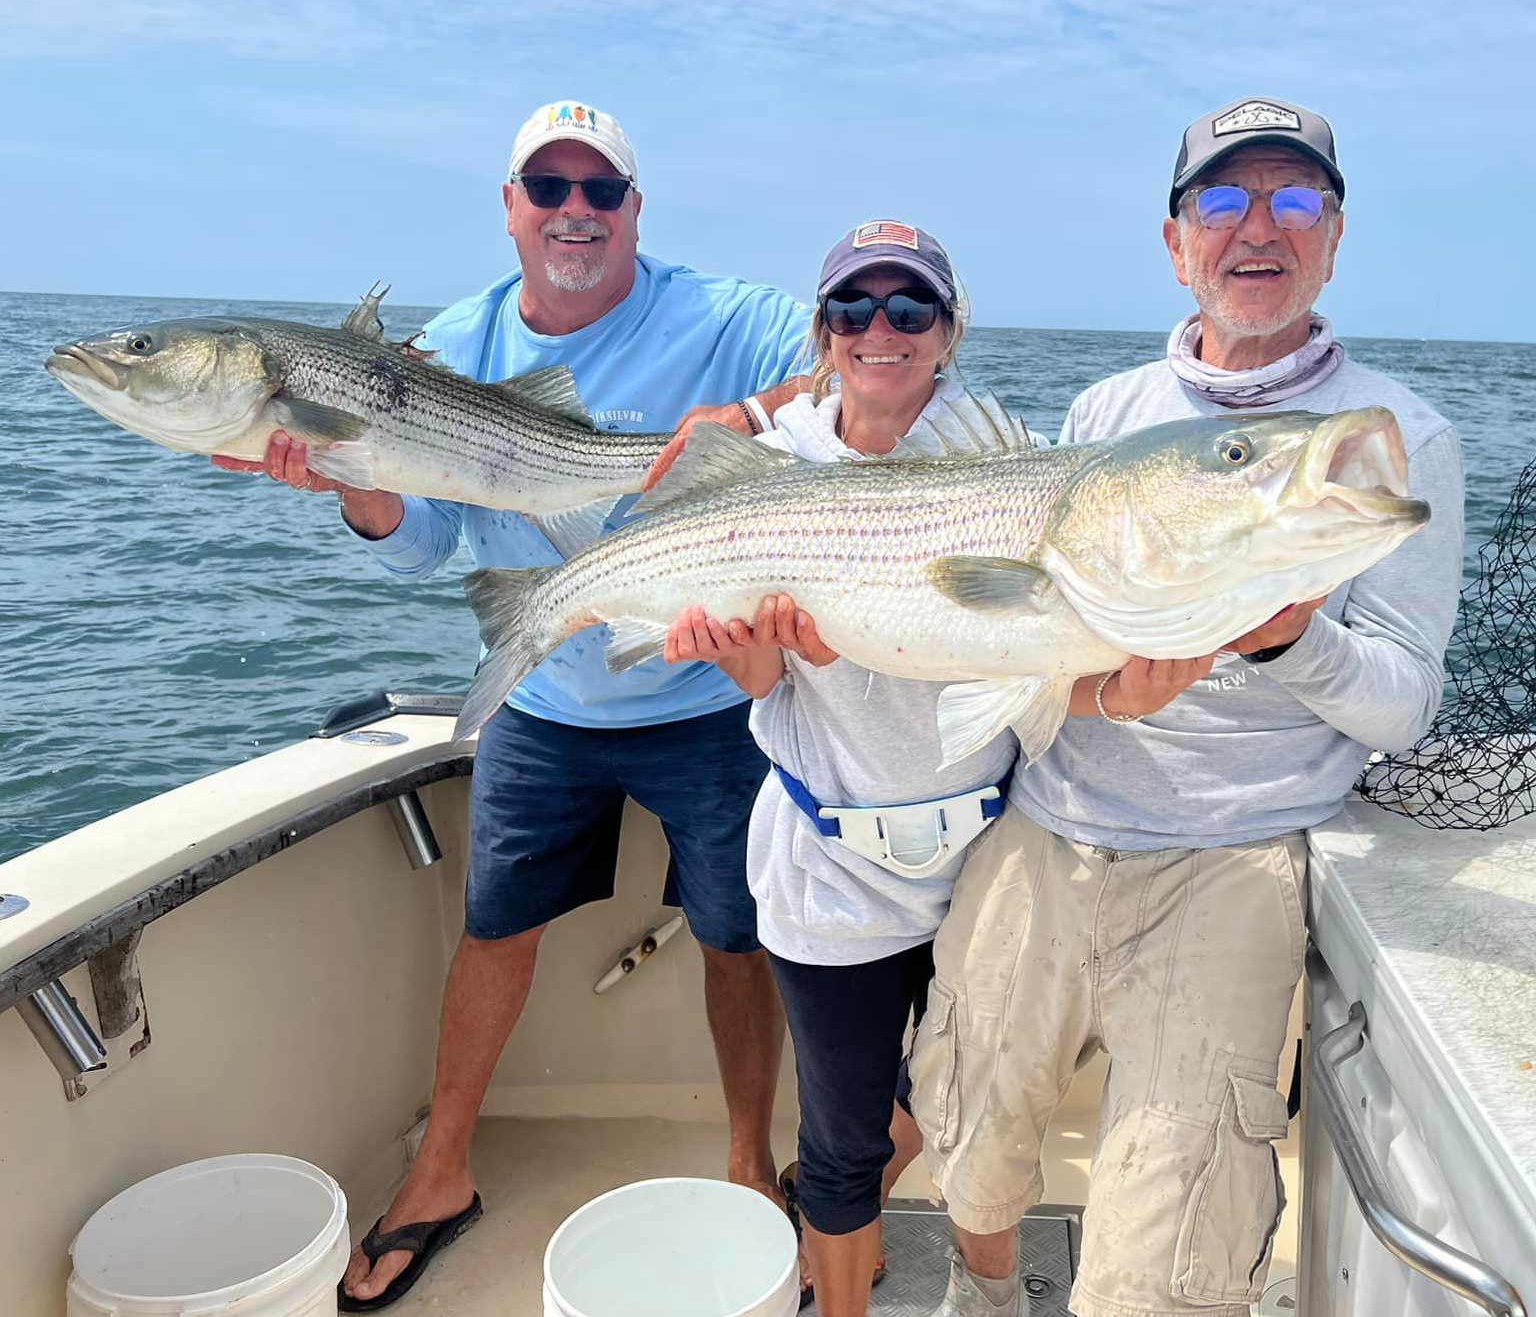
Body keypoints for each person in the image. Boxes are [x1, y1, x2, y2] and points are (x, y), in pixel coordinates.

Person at [215, 100, 809, 1310]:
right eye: (550, 189)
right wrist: (352, 480)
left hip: (704, 687)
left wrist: (742, 417)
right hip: (544, 685)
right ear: (510, 208)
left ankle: (750, 1166)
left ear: (637, 211)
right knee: (495, 928)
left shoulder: (725, 314)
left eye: (602, 191)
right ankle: (439, 1171)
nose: (575, 212)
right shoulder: (454, 340)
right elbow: (418, 540)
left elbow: (860, 363)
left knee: (739, 936)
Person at [908, 96, 1466, 1317]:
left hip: (1230, 865)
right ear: (1176, 242)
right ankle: (985, 1298)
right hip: (1049, 830)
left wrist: (1286, 637)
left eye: (1294, 199)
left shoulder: (1395, 438)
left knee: (1163, 1263)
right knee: (973, 1146)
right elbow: (1046, 635)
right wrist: (1097, 690)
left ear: (1334, 234)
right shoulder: (1107, 415)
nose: (1255, 227)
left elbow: (1404, 706)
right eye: (1222, 200)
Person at [663, 221, 1038, 1315]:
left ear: (949, 332)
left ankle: (981, 1289)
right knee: (836, 1142)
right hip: (832, 866)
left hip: (982, 852)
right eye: (856, 311)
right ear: (823, 334)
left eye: (911, 309)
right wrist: (757, 651)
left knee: (975, 1105)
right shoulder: (773, 470)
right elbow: (766, 687)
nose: (883, 330)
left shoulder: (1003, 452)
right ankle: (841, 1289)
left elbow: (1021, 632)